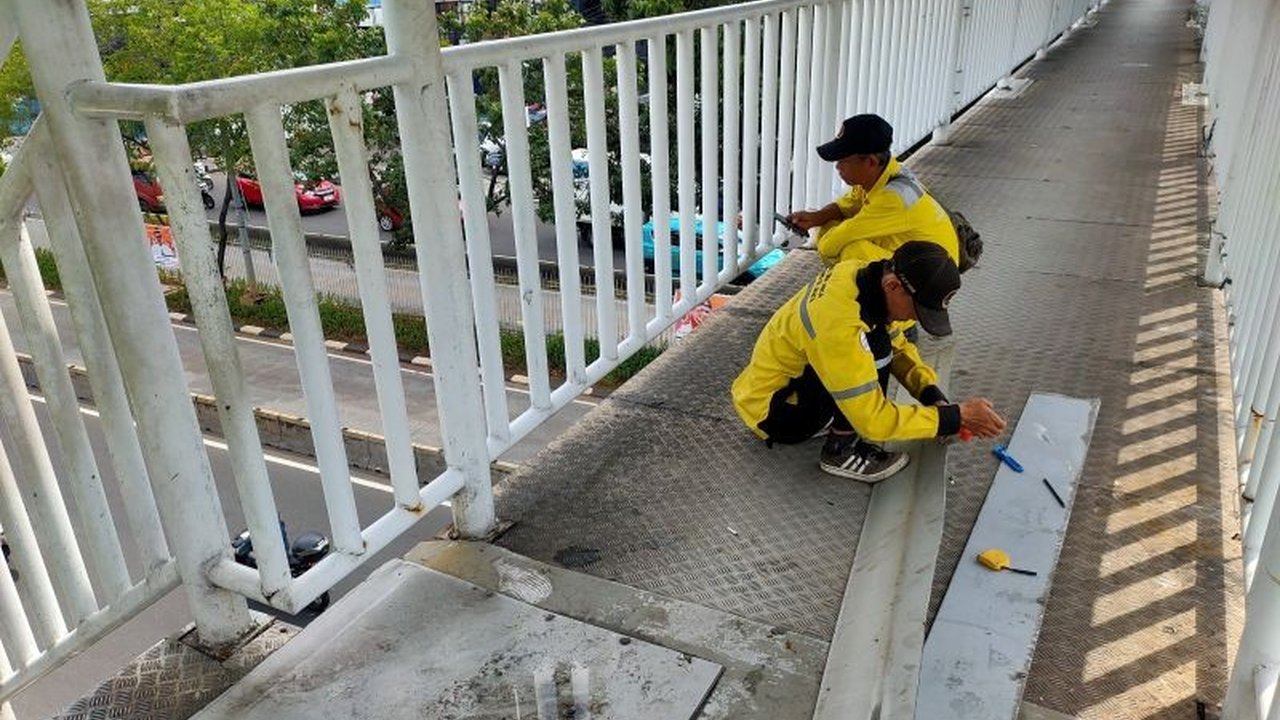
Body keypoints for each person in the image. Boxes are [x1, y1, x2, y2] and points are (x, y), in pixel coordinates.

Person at [731, 241, 1005, 483]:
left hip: (770, 388)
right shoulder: (840, 324)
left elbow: (899, 346)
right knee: (875, 347)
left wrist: (933, 397)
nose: (917, 319)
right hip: (777, 413)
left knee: (880, 341)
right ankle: (840, 450)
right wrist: (953, 418)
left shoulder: (861, 274)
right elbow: (874, 420)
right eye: (917, 309)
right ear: (893, 285)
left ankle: (832, 423)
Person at [786, 114, 959, 268]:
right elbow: (845, 206)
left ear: (870, 162)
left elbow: (829, 246)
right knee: (836, 227)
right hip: (922, 256)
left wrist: (823, 233)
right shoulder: (882, 175)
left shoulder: (892, 198)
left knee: (851, 250)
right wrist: (816, 218)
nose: (837, 166)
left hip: (931, 275)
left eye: (843, 160)